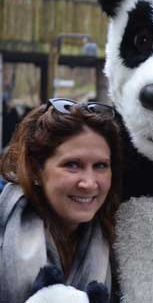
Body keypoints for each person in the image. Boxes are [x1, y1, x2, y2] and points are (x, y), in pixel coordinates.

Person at [0, 98, 123, 303]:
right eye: (72, 164)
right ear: (36, 170)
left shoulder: (120, 240)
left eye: (101, 165)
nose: (90, 183)